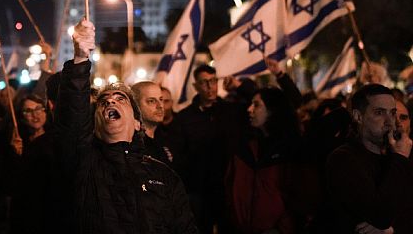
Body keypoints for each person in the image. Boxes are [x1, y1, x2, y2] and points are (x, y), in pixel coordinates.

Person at [56, 19, 197, 233]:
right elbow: (72, 116)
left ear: (137, 122)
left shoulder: (162, 174)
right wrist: (80, 59)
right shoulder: (84, 164)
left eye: (120, 99)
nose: (110, 102)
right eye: (104, 102)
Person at [168, 64, 249, 234]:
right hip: (199, 191)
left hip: (229, 188)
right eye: (204, 82)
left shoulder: (231, 111)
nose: (210, 86)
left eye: (213, 81)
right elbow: (178, 155)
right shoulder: (184, 118)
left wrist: (240, 87)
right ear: (195, 86)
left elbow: (256, 101)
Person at [325, 84, 413, 233]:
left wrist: (392, 228)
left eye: (392, 113)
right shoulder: (344, 159)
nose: (389, 121)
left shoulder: (397, 155)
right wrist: (400, 158)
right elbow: (380, 215)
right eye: (379, 113)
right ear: (358, 116)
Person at [224, 87, 311, 233]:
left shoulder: (291, 150)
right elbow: (229, 185)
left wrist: (282, 228)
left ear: (272, 110)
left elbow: (299, 196)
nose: (249, 109)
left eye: (256, 105)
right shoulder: (244, 147)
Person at [6, 94, 57, 233]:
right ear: (21, 116)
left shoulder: (55, 140)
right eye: (28, 111)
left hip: (47, 209)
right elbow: (11, 182)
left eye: (39, 108)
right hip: (24, 210)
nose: (35, 114)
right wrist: (15, 155)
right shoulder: (18, 142)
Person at [132, 81, 174, 165]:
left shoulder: (168, 136)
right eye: (151, 101)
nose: (160, 106)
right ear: (135, 105)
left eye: (161, 99)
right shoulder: (132, 144)